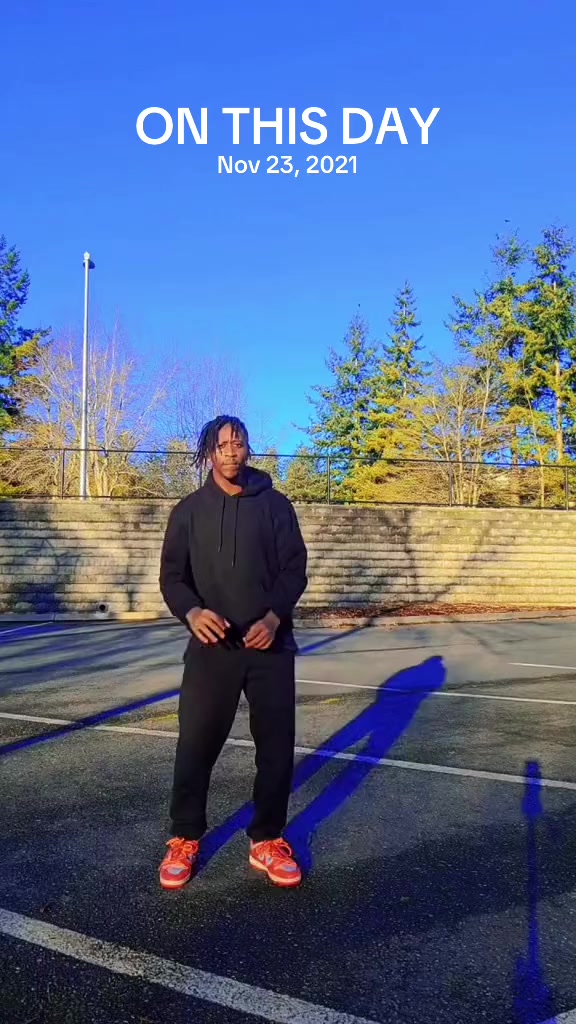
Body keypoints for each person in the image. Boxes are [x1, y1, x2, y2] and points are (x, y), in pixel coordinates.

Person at [158, 415, 308, 890]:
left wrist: (274, 618)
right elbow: (172, 578)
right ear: (209, 452)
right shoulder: (188, 512)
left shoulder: (276, 506)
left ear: (247, 449)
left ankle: (267, 839)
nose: (230, 451)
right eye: (221, 445)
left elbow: (295, 570)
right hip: (212, 648)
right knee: (195, 744)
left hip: (269, 645)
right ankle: (185, 837)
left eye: (237, 443)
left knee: (277, 747)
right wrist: (192, 612)